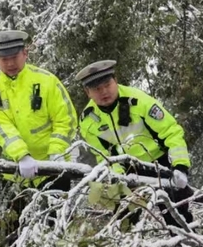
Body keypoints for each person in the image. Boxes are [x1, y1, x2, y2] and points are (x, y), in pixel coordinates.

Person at [0, 30, 78, 245]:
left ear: (25, 54)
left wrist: (57, 152)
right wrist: (22, 156)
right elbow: (0, 126)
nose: (10, 63)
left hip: (53, 168)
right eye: (4, 59)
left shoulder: (46, 81)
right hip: (14, 171)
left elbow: (66, 118)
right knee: (14, 235)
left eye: (14, 57)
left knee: (54, 230)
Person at [75, 60, 194, 226]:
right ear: (87, 92)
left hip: (160, 165)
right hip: (127, 170)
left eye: (107, 84)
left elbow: (172, 132)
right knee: (124, 221)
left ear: (115, 81)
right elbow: (103, 155)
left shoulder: (139, 100)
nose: (104, 92)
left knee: (177, 218)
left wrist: (180, 166)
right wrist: (118, 176)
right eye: (96, 89)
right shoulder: (88, 120)